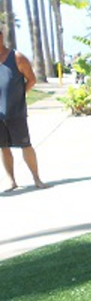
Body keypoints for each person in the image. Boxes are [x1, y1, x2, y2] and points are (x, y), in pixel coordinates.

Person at [0, 30, 46, 191]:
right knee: (3, 147)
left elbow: (31, 79)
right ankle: (11, 180)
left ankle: (37, 178)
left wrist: (19, 95)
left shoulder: (17, 57)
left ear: (1, 37)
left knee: (25, 145)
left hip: (15, 112)